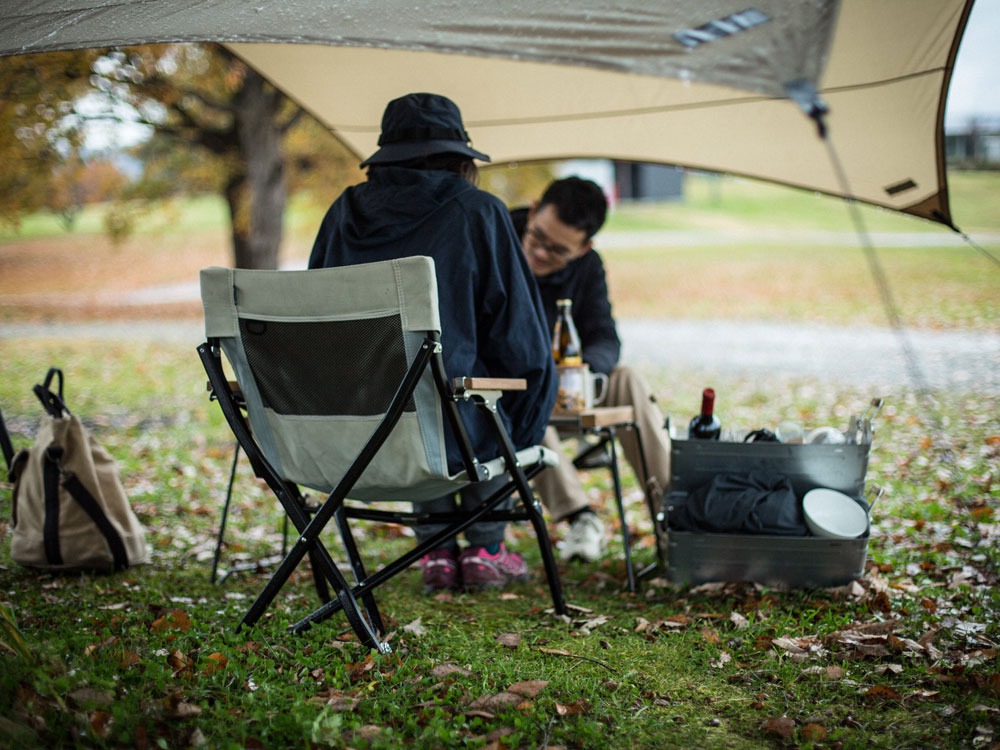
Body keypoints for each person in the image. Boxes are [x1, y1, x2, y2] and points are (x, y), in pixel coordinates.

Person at [309, 93, 558, 592]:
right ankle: (486, 547)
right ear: (459, 158)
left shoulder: (341, 215)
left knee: (413, 387)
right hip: (446, 438)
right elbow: (523, 345)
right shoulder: (479, 213)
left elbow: (317, 327)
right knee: (473, 395)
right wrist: (530, 428)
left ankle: (439, 553)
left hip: (349, 436)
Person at [510, 177, 672, 562]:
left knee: (627, 379)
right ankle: (581, 518)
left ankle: (674, 517)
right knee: (525, 400)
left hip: (566, 389)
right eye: (537, 237)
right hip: (512, 390)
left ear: (585, 248)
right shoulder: (495, 237)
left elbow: (605, 337)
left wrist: (585, 371)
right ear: (533, 212)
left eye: (559, 250)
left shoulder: (588, 269)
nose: (541, 252)